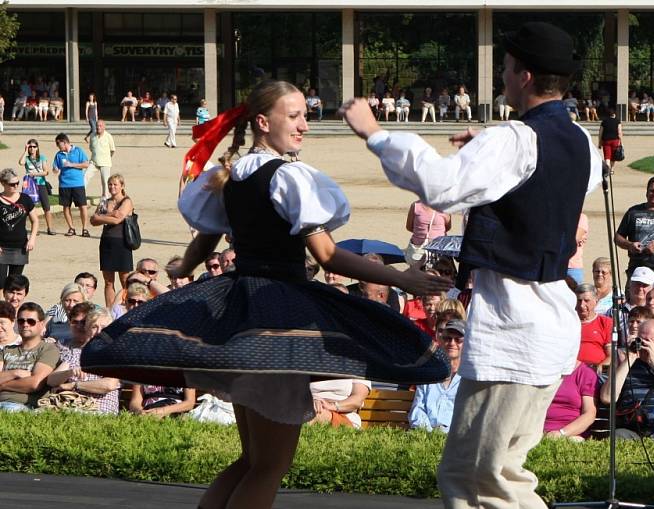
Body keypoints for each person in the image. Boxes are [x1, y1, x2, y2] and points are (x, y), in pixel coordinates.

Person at [81, 79, 450, 509]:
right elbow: (327, 256)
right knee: (270, 464)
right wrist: (402, 279)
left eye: (304, 117)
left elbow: (209, 232)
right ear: (262, 122)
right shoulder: (287, 177)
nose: (304, 127)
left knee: (253, 460)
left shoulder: (232, 175)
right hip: (277, 318)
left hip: (242, 310)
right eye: (294, 117)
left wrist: (187, 263)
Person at [341, 21, 602, 508]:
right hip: (548, 325)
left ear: (523, 74)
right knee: (497, 473)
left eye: (505, 66)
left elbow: (438, 185)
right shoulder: (580, 142)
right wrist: (491, 146)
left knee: (475, 478)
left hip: (514, 328)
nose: (501, 75)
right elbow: (554, 179)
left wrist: (375, 134)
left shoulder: (515, 141)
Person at [45, 303, 120, 414]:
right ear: (87, 329)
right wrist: (69, 372)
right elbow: (51, 380)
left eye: (104, 328)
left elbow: (109, 384)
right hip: (73, 407)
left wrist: (74, 385)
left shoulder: (115, 354)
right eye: (94, 327)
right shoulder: (77, 352)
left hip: (100, 410)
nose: (98, 332)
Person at [0, 303, 59, 412]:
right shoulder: (7, 350)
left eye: (31, 321)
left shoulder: (48, 349)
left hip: (23, 405)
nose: (25, 325)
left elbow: (34, 383)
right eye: (21, 321)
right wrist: (15, 373)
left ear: (41, 324)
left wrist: (2, 386)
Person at [409, 319, 465, 433]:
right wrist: (430, 434)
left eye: (458, 339)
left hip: (454, 439)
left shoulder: (469, 378)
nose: (452, 343)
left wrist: (445, 433)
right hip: (424, 438)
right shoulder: (428, 373)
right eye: (448, 338)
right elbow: (418, 409)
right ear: (440, 340)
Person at [90, 174, 134, 308]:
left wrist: (101, 216)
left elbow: (118, 219)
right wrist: (110, 214)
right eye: (110, 184)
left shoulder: (126, 201)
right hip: (106, 242)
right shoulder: (105, 201)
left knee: (125, 280)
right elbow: (92, 220)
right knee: (108, 281)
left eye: (115, 184)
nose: (112, 187)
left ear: (122, 186)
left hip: (122, 243)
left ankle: (129, 306)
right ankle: (110, 310)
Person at [0, 169, 39, 289]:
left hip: (20, 247)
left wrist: (32, 239)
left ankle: (11, 307)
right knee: (1, 283)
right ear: (3, 183)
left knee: (14, 284)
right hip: (1, 247)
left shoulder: (25, 199)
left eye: (17, 183)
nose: (16, 186)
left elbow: (35, 220)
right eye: (12, 184)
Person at [543, 359, 599, 441]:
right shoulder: (541, 372)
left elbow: (589, 413)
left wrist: (561, 433)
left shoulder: (585, 373)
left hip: (571, 434)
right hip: (537, 432)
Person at [52, 133, 90, 238]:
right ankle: (71, 228)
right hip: (64, 184)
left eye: (59, 145)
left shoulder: (78, 150)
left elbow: (86, 164)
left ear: (65, 142)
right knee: (66, 207)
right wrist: (55, 170)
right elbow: (55, 169)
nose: (59, 147)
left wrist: (72, 164)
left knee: (83, 206)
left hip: (78, 183)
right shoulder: (58, 155)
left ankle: (85, 228)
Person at [18, 138, 55, 235]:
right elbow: (21, 162)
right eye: (30, 147)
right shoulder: (26, 159)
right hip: (29, 185)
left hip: (40, 184)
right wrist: (25, 150)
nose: (32, 149)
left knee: (46, 206)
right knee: (30, 207)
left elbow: (46, 171)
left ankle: (50, 228)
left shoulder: (42, 157)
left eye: (34, 147)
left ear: (37, 148)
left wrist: (35, 174)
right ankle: (35, 229)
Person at [576, 283, 612, 368]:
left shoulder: (605, 322)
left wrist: (601, 366)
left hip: (596, 369)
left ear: (596, 301)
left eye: (586, 301)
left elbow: (611, 356)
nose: (582, 305)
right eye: (579, 300)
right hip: (571, 370)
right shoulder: (569, 322)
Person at [404, 200, 451, 265]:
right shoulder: (415, 206)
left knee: (438, 272)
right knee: (416, 272)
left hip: (438, 249)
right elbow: (409, 227)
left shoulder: (445, 208)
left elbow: (447, 227)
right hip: (418, 249)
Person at [129, 383, 197, 418]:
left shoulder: (184, 369)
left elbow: (190, 403)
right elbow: (135, 402)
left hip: (174, 410)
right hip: (148, 411)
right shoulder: (141, 369)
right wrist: (140, 411)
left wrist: (163, 411)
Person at [88, 120, 116, 199]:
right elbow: (91, 148)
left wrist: (107, 157)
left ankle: (105, 198)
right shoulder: (92, 135)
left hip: (105, 162)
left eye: (100, 126)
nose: (98, 127)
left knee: (105, 181)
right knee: (85, 177)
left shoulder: (108, 136)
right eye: (97, 125)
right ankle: (80, 195)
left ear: (104, 127)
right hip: (94, 162)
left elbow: (112, 150)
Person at [567, 212, 588, 283]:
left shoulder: (581, 217)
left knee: (576, 293)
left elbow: (573, 239)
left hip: (572, 268)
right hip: (555, 267)